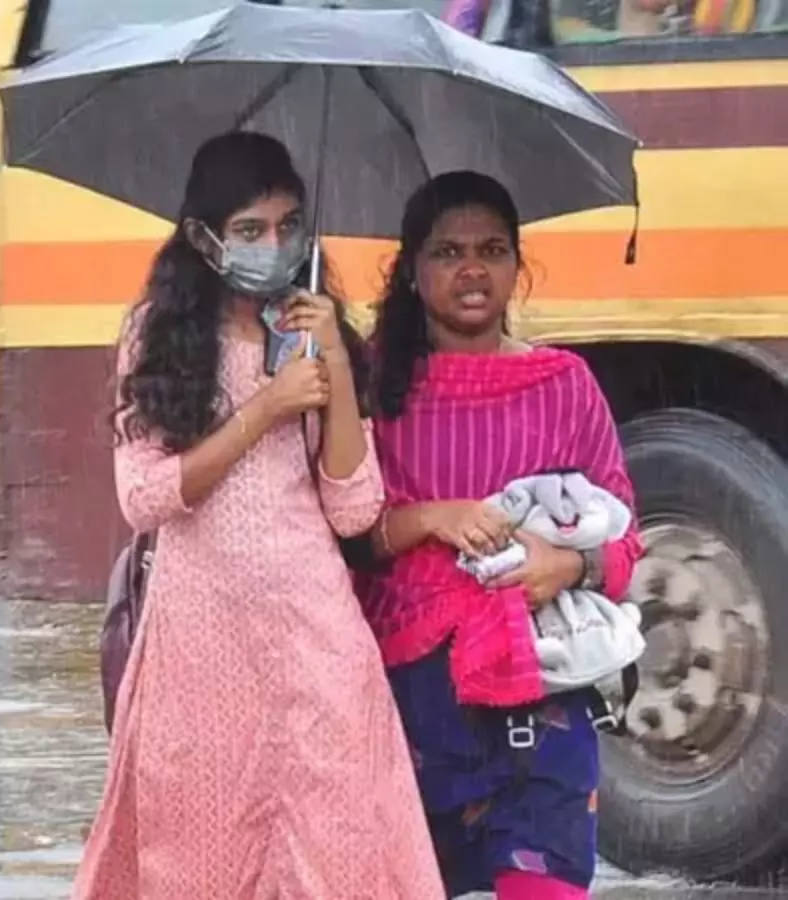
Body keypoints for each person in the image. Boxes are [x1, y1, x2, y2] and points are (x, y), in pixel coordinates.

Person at [73, 132, 443, 898]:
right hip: (201, 645)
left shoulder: (316, 333)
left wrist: (332, 358)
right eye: (249, 229)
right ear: (203, 237)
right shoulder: (158, 337)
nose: (273, 247)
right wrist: (266, 408)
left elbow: (355, 508)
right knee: (203, 861)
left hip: (317, 634)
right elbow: (145, 497)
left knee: (343, 855)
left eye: (288, 226)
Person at [359, 171, 644, 899]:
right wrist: (435, 517)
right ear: (412, 271)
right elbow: (345, 538)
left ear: (519, 265)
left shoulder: (564, 385)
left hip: (541, 695)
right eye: (448, 252)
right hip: (407, 704)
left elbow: (625, 541)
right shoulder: (369, 389)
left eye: (491, 250)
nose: (472, 269)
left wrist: (565, 565)